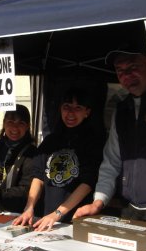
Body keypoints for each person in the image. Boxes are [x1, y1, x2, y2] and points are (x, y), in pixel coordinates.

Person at [73, 46, 146, 245]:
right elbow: (112, 161)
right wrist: (98, 201)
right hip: (129, 209)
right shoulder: (121, 109)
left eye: (133, 67)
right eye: (120, 70)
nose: (126, 76)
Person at [14, 87, 105, 231]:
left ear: (87, 112)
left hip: (75, 221)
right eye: (66, 107)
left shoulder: (94, 142)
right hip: (46, 220)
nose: (70, 113)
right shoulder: (51, 140)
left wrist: (57, 213)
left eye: (78, 108)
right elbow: (38, 176)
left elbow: (87, 183)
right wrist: (29, 207)